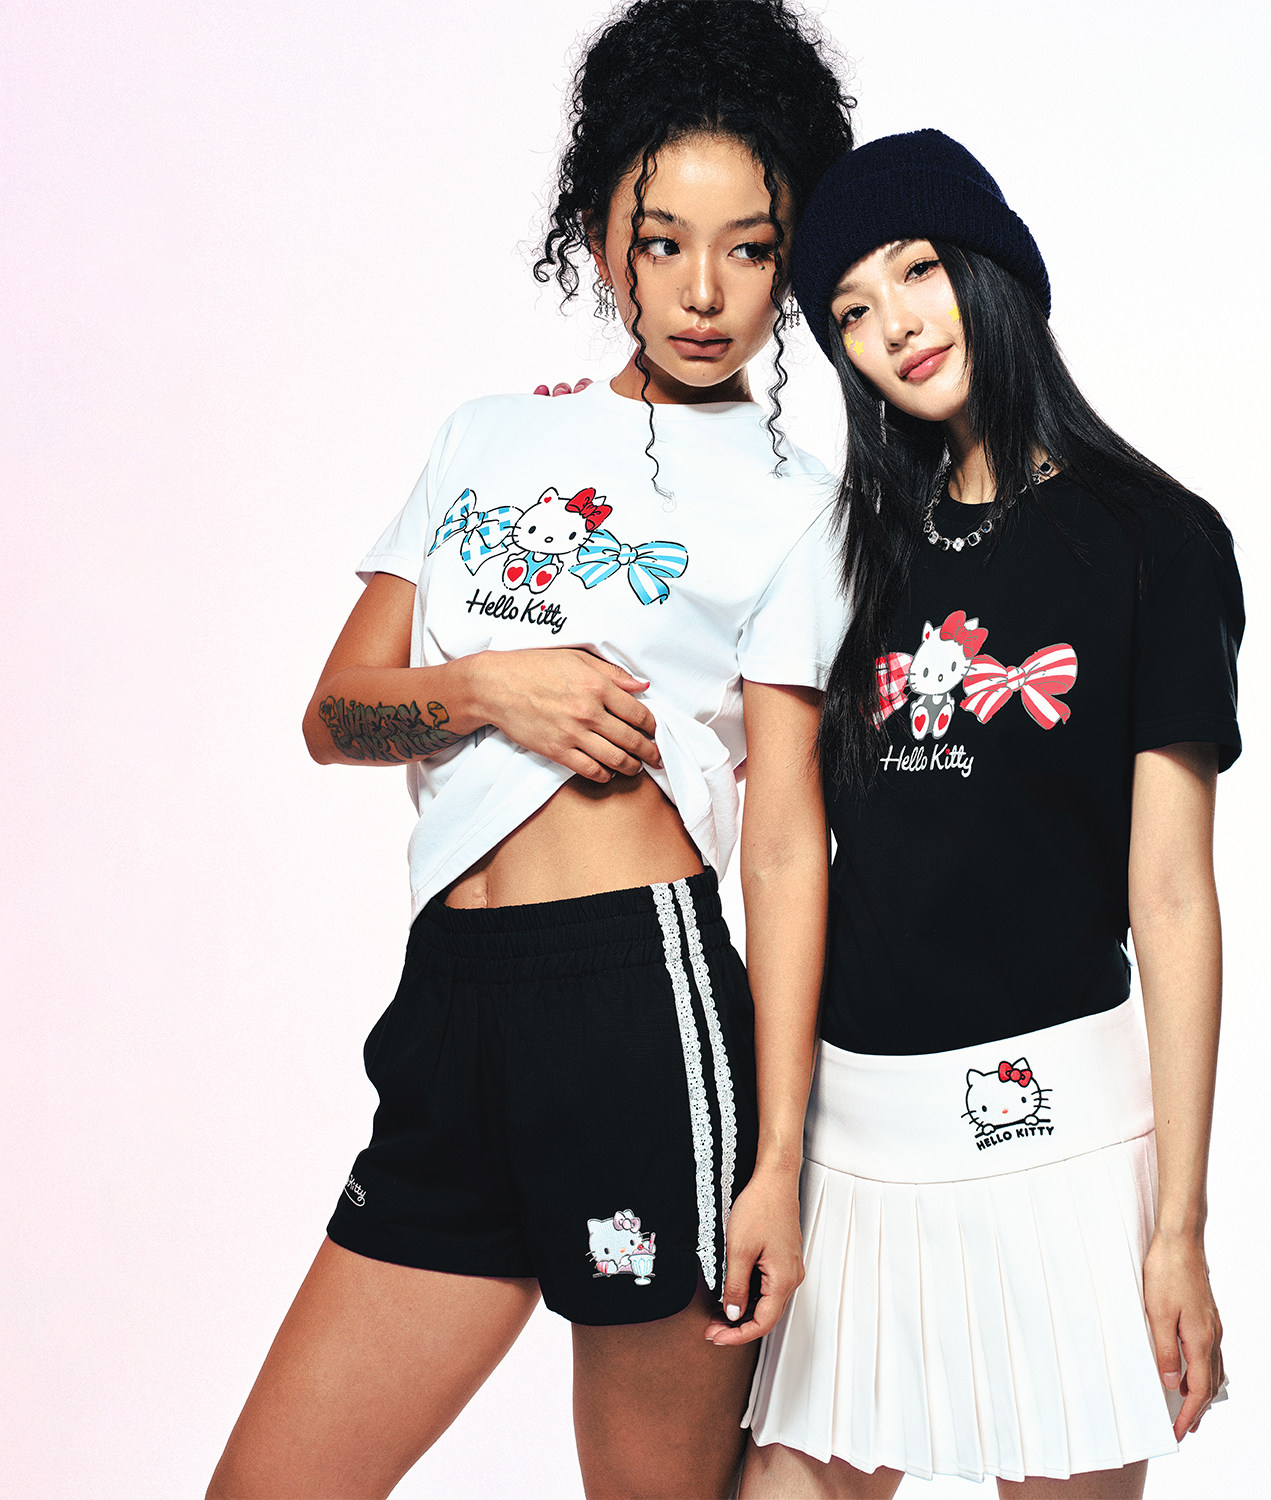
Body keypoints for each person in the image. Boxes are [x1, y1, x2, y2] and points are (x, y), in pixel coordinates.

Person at [207, 5, 853, 1497]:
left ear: (791, 261)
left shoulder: (799, 503)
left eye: (750, 250)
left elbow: (783, 842)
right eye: (662, 241)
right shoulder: (485, 437)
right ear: (600, 236)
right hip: (453, 1009)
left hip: (640, 1007)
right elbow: (335, 717)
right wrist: (493, 689)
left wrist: (775, 1161)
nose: (703, 293)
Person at [740, 130, 1243, 1499]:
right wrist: (776, 1162)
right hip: (853, 1152)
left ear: (991, 267)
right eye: (852, 312)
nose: (895, 325)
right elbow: (784, 851)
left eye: (917, 271)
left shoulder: (1156, 542)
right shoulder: (846, 552)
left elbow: (1172, 896)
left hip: (1062, 1146)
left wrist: (1179, 1227)